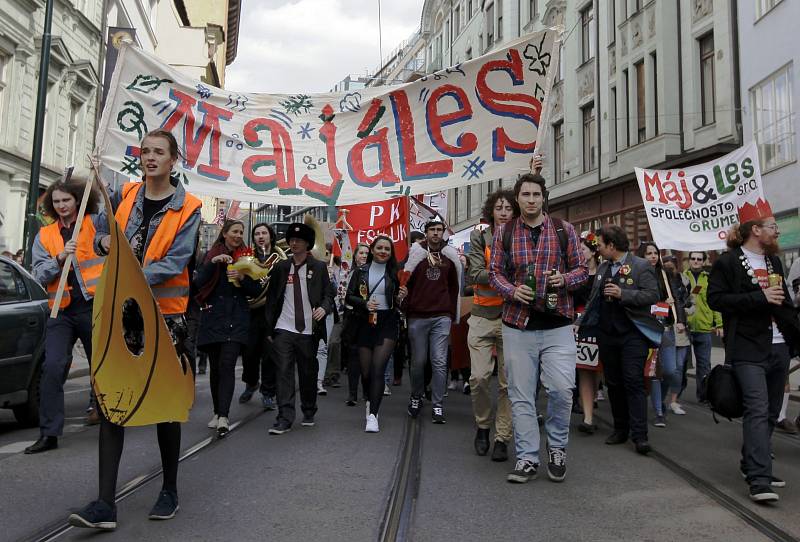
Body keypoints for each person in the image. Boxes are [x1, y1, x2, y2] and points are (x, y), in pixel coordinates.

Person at [68, 129, 201, 530]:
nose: (150, 157)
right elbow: (100, 227)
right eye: (144, 151)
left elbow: (177, 259)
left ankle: (170, 489)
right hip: (124, 312)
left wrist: (133, 274)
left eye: (159, 152)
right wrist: (107, 240)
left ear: (173, 160)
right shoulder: (126, 195)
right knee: (112, 401)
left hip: (165, 316)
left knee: (165, 408)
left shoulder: (188, 207)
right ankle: (105, 504)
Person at [488, 173, 587, 484]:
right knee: (520, 395)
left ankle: (557, 447)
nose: (531, 199)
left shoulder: (563, 230)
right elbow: (495, 273)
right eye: (525, 194)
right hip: (517, 325)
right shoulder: (504, 232)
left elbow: (582, 269)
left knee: (561, 389)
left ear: (544, 198)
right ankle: (527, 457)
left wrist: (566, 280)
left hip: (558, 323)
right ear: (517, 199)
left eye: (536, 194)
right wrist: (511, 290)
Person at [708, 200, 800, 503]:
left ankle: (751, 464)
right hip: (747, 347)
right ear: (756, 230)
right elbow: (717, 300)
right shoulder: (728, 262)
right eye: (772, 226)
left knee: (771, 412)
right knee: (758, 410)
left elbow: (785, 304)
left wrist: (796, 341)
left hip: (778, 346)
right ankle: (760, 479)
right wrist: (758, 297)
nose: (777, 231)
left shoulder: (774, 262)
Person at [25, 176, 104, 454]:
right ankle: (49, 433)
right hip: (61, 308)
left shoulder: (94, 223)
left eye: (66, 200)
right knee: (53, 367)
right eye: (56, 201)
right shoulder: (45, 236)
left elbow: (111, 246)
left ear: (78, 201)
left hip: (92, 304)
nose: (61, 206)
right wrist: (59, 259)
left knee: (102, 365)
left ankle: (107, 415)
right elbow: (38, 273)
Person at [579, 225, 662, 456]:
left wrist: (623, 294)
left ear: (612, 246)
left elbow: (652, 294)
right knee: (613, 382)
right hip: (607, 333)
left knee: (633, 381)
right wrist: (582, 324)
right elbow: (594, 299)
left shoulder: (641, 266)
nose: (599, 250)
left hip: (633, 333)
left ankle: (640, 435)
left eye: (601, 245)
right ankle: (620, 428)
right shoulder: (604, 267)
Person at [264, 222, 335, 434]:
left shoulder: (319, 267)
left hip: (308, 330)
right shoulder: (280, 267)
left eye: (299, 241)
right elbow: (271, 300)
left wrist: (324, 307)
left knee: (307, 373)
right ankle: (284, 417)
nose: (294, 243)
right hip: (284, 328)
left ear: (307, 244)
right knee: (283, 371)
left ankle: (309, 409)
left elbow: (329, 295)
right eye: (291, 240)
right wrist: (269, 330)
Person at [194, 220, 262, 437]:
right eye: (235, 231)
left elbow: (256, 288)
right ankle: (217, 411)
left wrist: (242, 278)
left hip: (237, 319)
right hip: (214, 318)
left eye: (241, 232)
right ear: (224, 234)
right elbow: (198, 284)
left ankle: (224, 415)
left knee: (227, 365)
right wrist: (213, 262)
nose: (238, 235)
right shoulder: (210, 254)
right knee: (216, 368)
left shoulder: (247, 256)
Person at [467, 189, 517, 461]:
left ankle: (502, 437)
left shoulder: (521, 237)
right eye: (499, 207)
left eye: (508, 208)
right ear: (491, 211)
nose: (503, 212)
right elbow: (475, 274)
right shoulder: (479, 237)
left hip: (511, 318)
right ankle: (483, 425)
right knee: (479, 378)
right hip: (482, 316)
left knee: (508, 384)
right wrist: (506, 276)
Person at [345, 235, 407, 432]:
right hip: (364, 322)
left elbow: (400, 303)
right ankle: (369, 399)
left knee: (378, 368)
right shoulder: (360, 271)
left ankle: (373, 414)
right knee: (366, 372)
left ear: (391, 253)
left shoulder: (396, 273)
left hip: (387, 322)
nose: (383, 251)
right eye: (379, 248)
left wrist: (402, 297)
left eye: (387, 249)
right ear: (372, 250)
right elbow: (349, 296)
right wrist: (365, 304)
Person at [403, 220, 462, 424]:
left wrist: (452, 312)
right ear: (426, 233)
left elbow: (455, 286)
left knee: (439, 361)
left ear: (443, 233)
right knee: (418, 362)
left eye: (439, 230)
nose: (436, 233)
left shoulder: (449, 256)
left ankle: (437, 403)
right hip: (418, 316)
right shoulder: (415, 254)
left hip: (441, 316)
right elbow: (404, 282)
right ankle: (416, 396)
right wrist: (406, 307)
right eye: (432, 230)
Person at [637, 242, 687, 428]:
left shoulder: (665, 275)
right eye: (648, 253)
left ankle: (661, 400)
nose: (652, 256)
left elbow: (677, 302)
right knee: (655, 372)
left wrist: (680, 319)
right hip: (647, 330)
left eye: (655, 253)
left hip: (666, 328)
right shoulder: (636, 275)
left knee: (670, 370)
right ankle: (659, 411)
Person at [239, 222, 282, 410]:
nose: (261, 236)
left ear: (270, 236)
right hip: (252, 311)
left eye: (264, 233)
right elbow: (243, 284)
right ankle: (251, 382)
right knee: (249, 353)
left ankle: (268, 392)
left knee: (270, 354)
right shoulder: (248, 258)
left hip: (274, 313)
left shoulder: (280, 258)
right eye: (257, 234)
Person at [683, 251, 723, 403]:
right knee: (680, 366)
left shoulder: (709, 279)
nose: (696, 261)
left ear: (704, 261)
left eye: (699, 259)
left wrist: (719, 324)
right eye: (693, 258)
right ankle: (678, 392)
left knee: (704, 365)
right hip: (685, 328)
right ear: (689, 260)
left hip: (704, 327)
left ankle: (704, 395)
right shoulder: (682, 277)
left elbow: (715, 303)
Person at [572, 232, 602, 434]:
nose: (580, 253)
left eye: (583, 249)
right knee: (584, 369)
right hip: (580, 326)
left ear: (592, 252)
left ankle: (594, 400)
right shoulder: (576, 274)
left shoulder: (604, 272)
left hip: (601, 326)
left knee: (598, 371)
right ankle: (588, 417)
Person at [343, 243, 370, 405]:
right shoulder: (356, 272)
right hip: (356, 318)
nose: (365, 255)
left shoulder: (379, 271)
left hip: (373, 320)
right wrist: (364, 303)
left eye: (367, 253)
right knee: (354, 357)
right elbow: (349, 296)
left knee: (369, 358)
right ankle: (352, 393)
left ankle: (367, 391)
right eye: (361, 253)